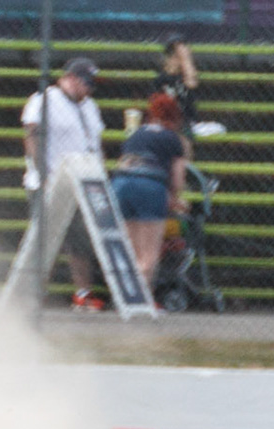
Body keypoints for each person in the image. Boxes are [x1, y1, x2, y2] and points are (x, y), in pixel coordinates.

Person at [22, 56, 107, 312]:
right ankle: (34, 292)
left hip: (82, 182)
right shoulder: (44, 100)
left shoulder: (89, 106)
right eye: (86, 82)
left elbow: (95, 143)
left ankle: (82, 293)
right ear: (69, 78)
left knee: (80, 241)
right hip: (50, 180)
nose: (89, 88)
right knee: (45, 240)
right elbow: (32, 136)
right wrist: (43, 174)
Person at [110, 91, 189, 289]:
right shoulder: (173, 138)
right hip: (150, 185)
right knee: (149, 255)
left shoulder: (136, 134)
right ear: (174, 118)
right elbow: (177, 179)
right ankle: (141, 298)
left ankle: (125, 294)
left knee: (130, 250)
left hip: (121, 183)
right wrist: (175, 199)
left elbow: (122, 161)